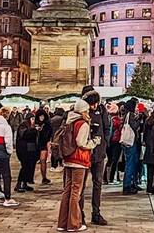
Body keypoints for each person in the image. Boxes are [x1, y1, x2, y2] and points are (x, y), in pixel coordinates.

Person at [57, 99, 100, 232]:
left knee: (67, 191)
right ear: (82, 111)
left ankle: (62, 223)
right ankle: (74, 224)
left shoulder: (70, 121)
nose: (88, 113)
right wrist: (94, 142)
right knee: (76, 192)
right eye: (87, 111)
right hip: (79, 161)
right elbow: (81, 143)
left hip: (68, 159)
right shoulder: (83, 124)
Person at [81, 87, 111, 226]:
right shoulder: (79, 110)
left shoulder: (102, 109)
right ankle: (79, 213)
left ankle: (96, 213)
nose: (94, 105)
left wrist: (104, 145)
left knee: (98, 183)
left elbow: (106, 128)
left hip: (98, 152)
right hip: (83, 153)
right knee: (80, 185)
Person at [0, 107, 19, 207]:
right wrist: (9, 152)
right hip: (3, 154)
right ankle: (7, 198)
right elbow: (8, 141)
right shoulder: (6, 127)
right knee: (6, 176)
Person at [122, 98, 141, 195]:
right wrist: (139, 120)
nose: (137, 107)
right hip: (131, 142)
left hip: (128, 142)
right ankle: (127, 185)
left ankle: (131, 184)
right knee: (130, 164)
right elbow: (135, 126)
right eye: (136, 106)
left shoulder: (126, 114)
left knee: (131, 163)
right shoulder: (131, 115)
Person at [15, 113, 39, 192]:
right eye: (32, 119)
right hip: (24, 150)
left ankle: (24, 183)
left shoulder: (31, 126)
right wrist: (34, 130)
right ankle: (18, 184)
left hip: (30, 150)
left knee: (28, 167)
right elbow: (24, 134)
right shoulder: (23, 125)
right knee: (24, 167)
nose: (33, 121)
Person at [104, 103, 123, 185]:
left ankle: (106, 178)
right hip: (116, 142)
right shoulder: (118, 120)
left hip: (108, 142)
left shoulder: (107, 119)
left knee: (110, 160)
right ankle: (112, 178)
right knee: (115, 160)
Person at [34, 108, 52, 184]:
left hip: (43, 145)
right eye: (40, 116)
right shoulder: (35, 124)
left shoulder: (47, 125)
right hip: (36, 145)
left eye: (43, 116)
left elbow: (49, 135)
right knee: (35, 162)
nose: (41, 118)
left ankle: (44, 177)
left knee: (43, 161)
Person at [50, 107, 66, 172]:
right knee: (59, 151)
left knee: (53, 151)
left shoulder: (52, 119)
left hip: (53, 137)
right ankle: (60, 164)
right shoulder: (62, 119)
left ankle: (53, 165)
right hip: (60, 137)